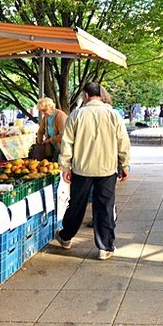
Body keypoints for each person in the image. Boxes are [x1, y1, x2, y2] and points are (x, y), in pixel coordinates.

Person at [55, 82, 130, 260]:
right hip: (107, 168)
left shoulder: (77, 114)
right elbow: (123, 141)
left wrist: (65, 166)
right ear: (101, 95)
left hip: (82, 168)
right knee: (104, 206)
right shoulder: (113, 114)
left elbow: (67, 142)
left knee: (76, 204)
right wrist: (124, 164)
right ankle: (105, 247)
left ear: (86, 96)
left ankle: (66, 237)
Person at [35, 97, 68, 161]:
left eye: (44, 110)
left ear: (51, 108)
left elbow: (63, 135)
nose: (43, 113)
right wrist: (40, 142)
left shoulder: (60, 116)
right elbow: (40, 131)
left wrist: (50, 140)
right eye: (42, 111)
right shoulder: (46, 117)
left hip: (62, 148)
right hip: (52, 147)